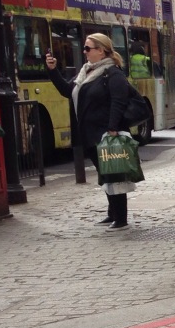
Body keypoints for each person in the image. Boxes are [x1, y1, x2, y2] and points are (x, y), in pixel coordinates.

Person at [45, 33, 135, 229]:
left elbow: (118, 102)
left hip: (106, 133)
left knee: (114, 174)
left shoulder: (113, 73)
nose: (84, 52)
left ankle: (121, 218)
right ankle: (112, 214)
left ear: (101, 50)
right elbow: (68, 91)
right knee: (105, 174)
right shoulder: (86, 72)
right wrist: (53, 71)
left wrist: (112, 128)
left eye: (88, 48)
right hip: (90, 133)